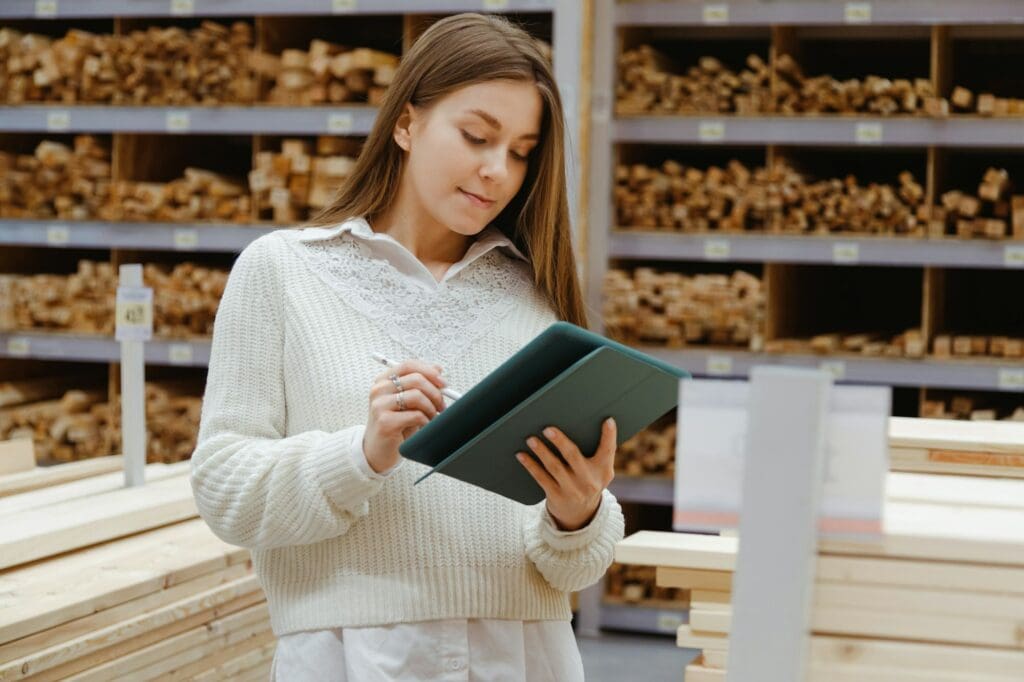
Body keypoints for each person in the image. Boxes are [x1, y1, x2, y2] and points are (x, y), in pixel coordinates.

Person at [190, 12, 625, 681]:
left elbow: (577, 564)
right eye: (477, 135)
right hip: (348, 660)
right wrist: (360, 455)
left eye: (520, 151)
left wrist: (579, 513)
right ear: (406, 123)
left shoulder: (538, 300)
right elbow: (223, 490)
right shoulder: (281, 271)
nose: (496, 171)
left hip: (524, 660)